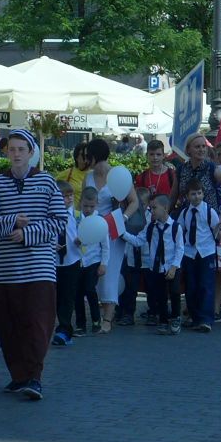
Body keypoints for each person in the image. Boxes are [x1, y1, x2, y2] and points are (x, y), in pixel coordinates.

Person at [0, 129, 67, 401]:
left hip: (39, 268)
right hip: (5, 270)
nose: (16, 154)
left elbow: (59, 221)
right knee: (9, 325)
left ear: (31, 152)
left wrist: (28, 234)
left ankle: (34, 377)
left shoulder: (47, 182)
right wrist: (11, 222)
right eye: (12, 149)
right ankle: (19, 376)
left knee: (37, 324)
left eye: (21, 149)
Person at [81, 137, 139, 332]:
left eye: (87, 156)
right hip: (93, 231)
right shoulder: (88, 177)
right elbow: (84, 203)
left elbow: (134, 201)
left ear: (94, 156)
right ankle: (98, 315)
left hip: (113, 231)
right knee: (93, 271)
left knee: (110, 273)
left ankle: (108, 318)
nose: (85, 160)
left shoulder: (117, 175)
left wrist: (122, 218)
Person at [128, 193, 183, 335]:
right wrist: (122, 234)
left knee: (175, 292)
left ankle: (176, 317)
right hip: (157, 267)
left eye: (154, 208)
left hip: (172, 266)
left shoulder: (175, 227)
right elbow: (138, 241)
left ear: (165, 208)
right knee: (161, 295)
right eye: (151, 208)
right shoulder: (151, 227)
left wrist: (174, 267)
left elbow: (179, 249)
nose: (151, 211)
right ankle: (163, 320)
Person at [178, 179, 221, 333]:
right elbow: (180, 231)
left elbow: (217, 232)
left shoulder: (210, 211)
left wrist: (219, 229)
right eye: (193, 194)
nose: (196, 196)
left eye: (199, 193)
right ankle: (194, 316)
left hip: (206, 252)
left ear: (203, 194)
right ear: (187, 196)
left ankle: (205, 319)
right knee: (191, 286)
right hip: (190, 252)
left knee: (206, 285)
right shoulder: (184, 213)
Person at [54, 180, 83, 344]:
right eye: (65, 196)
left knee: (68, 297)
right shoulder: (50, 216)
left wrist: (82, 240)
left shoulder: (78, 216)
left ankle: (64, 330)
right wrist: (51, 244)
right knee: (55, 297)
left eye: (71, 195)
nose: (69, 198)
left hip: (72, 261)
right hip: (53, 262)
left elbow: (88, 234)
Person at [75, 184, 106, 333]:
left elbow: (105, 245)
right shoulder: (75, 218)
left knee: (90, 289)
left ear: (97, 204)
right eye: (85, 206)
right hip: (78, 261)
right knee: (77, 293)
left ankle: (96, 320)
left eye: (91, 206)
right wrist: (75, 241)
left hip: (94, 261)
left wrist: (104, 264)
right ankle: (80, 324)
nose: (88, 209)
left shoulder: (100, 220)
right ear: (80, 202)